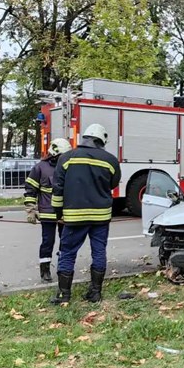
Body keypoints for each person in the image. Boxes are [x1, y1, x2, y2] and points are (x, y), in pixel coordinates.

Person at [50, 124, 121, 304]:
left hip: (74, 217)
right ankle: (95, 293)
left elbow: (57, 188)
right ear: (102, 140)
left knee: (67, 253)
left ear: (85, 138)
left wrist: (58, 213)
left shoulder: (66, 158)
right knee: (99, 252)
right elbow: (113, 184)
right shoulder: (110, 160)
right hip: (101, 217)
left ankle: (64, 295)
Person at [24, 138, 72, 283]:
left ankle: (63, 269)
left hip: (65, 214)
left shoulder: (68, 167)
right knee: (47, 242)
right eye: (62, 156)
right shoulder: (40, 168)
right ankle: (45, 270)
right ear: (54, 154)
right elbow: (30, 189)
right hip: (48, 214)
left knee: (66, 242)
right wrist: (30, 210)